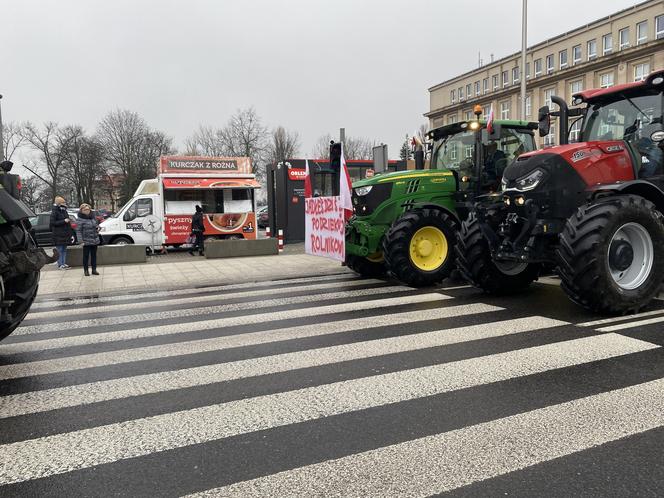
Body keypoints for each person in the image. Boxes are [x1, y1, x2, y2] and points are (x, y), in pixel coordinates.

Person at [76, 203, 100, 276]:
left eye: (88, 209)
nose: (87, 211)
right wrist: (81, 241)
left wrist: (97, 228)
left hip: (94, 239)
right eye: (85, 210)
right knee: (86, 256)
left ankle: (94, 269)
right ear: (82, 210)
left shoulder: (92, 217)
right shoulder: (80, 219)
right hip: (86, 241)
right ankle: (86, 270)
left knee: (94, 256)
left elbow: (95, 225)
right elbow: (78, 231)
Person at [50, 196, 73, 269]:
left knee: (64, 249)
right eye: (63, 202)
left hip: (65, 234)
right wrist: (64, 221)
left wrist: (70, 233)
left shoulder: (64, 211)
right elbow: (52, 223)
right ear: (59, 203)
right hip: (58, 234)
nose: (65, 203)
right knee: (60, 250)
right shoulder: (54, 212)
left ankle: (64, 263)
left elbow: (67, 223)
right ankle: (60, 264)